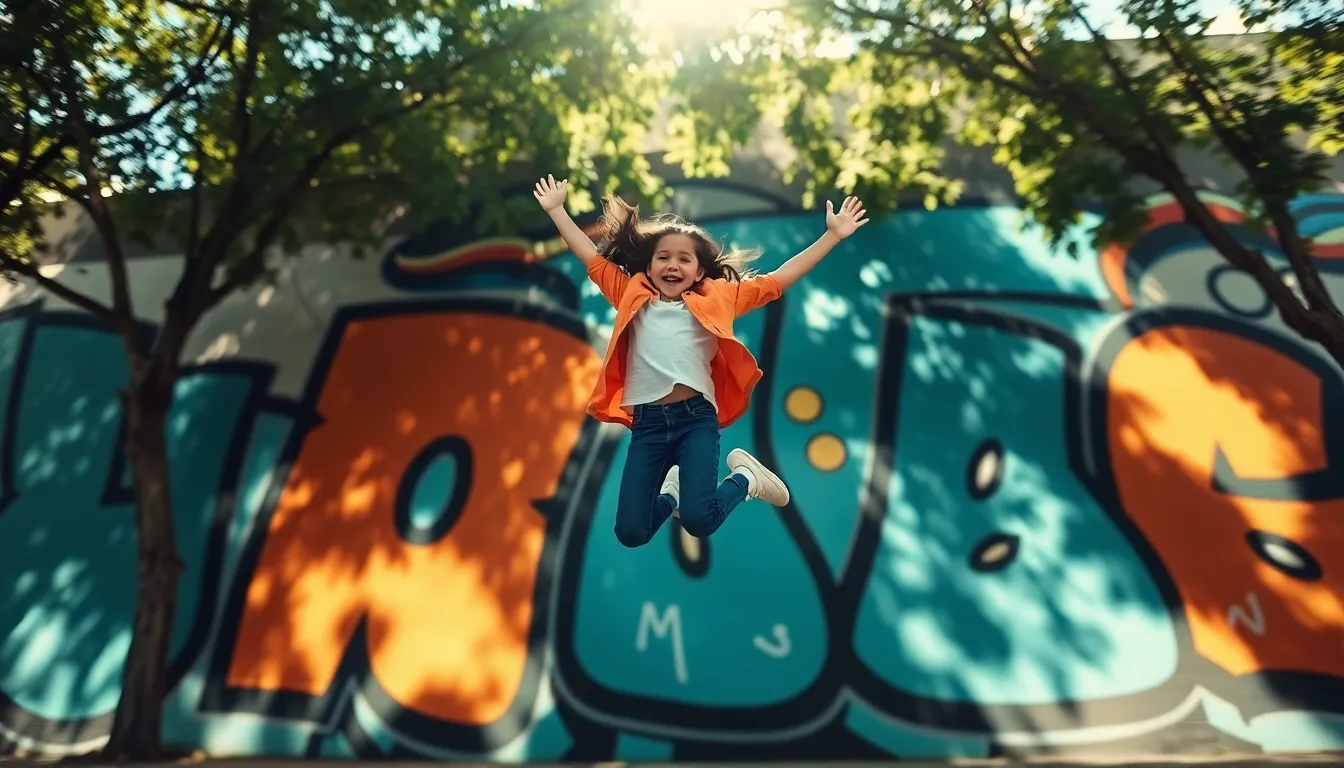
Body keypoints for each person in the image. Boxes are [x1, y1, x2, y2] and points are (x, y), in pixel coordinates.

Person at [533, 174, 868, 546]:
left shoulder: (719, 297)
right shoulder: (630, 292)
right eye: (663, 257)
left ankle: (745, 479)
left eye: (684, 259)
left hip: (695, 421)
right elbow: (591, 260)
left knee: (700, 520)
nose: (672, 265)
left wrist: (833, 236)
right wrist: (557, 211)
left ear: (698, 270)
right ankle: (671, 495)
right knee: (631, 532)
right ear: (648, 264)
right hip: (648, 426)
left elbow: (776, 282)